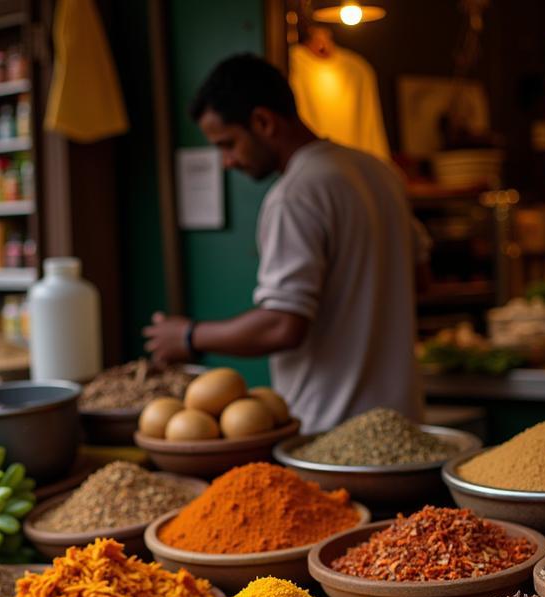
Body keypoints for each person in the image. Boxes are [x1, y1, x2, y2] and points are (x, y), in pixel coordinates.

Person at [144, 54, 423, 433]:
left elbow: (282, 325)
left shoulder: (297, 193)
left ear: (263, 121)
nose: (226, 161)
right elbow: (421, 277)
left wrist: (190, 336)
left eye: (228, 144)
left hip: (330, 433)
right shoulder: (379, 171)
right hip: (405, 428)